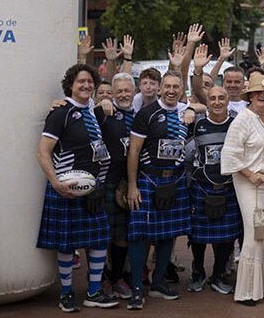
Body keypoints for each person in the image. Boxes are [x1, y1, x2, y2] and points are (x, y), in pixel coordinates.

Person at [37, 64, 118, 312]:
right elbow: (42, 152)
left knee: (98, 241)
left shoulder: (93, 112)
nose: (86, 85)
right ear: (70, 85)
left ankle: (93, 291)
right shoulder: (61, 113)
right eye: (80, 82)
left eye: (89, 82)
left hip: (93, 189)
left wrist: (99, 185)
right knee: (67, 244)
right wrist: (56, 183)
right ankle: (66, 293)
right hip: (67, 187)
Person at [125, 70, 191, 309]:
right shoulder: (147, 114)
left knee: (168, 234)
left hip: (175, 180)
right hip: (148, 180)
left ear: (182, 90)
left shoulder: (186, 113)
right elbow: (133, 150)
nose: (172, 91)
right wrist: (132, 186)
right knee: (139, 236)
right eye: (168, 86)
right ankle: (136, 289)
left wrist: (194, 108)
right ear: (161, 88)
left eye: (177, 87)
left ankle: (159, 283)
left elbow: (205, 107)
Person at [220, 73, 264, 306]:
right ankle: (247, 291)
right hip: (251, 182)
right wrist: (251, 175)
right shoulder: (243, 119)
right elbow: (230, 155)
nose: (263, 96)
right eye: (258, 92)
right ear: (250, 95)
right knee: (255, 234)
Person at [186, 85, 240, 295]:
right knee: (198, 236)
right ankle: (198, 272)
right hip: (202, 188)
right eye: (213, 98)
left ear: (228, 101)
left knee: (227, 237)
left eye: (221, 98)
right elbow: (187, 155)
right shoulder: (196, 124)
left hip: (228, 188)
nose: (217, 102)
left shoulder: (237, 124)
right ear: (207, 102)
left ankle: (218, 275)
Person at [99, 72, 137, 300]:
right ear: (112, 94)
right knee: (103, 235)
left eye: (127, 90)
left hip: (129, 184)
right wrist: (101, 103)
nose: (123, 94)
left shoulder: (140, 115)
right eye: (119, 91)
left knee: (123, 235)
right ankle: (101, 277)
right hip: (107, 182)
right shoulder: (104, 113)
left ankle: (117, 277)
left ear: (134, 93)